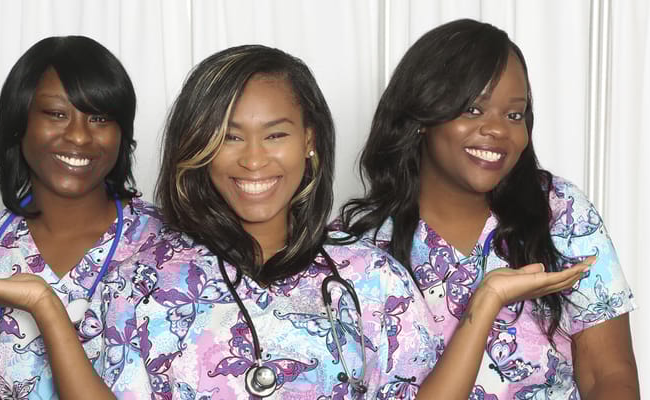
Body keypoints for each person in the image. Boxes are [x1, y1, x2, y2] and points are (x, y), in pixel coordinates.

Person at [147, 44, 589, 399]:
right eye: (229, 136)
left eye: (275, 134)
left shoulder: (372, 276)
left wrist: (487, 298)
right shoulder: (142, 283)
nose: (254, 158)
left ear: (309, 140)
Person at [339, 19, 639, 399]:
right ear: (421, 118)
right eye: (473, 109)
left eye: (514, 115)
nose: (497, 130)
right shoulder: (358, 251)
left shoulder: (560, 212)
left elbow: (608, 373)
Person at [0, 36, 165, 399]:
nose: (79, 136)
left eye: (99, 118)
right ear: (18, 125)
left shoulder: (178, 252)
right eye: (57, 114)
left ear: (122, 133)